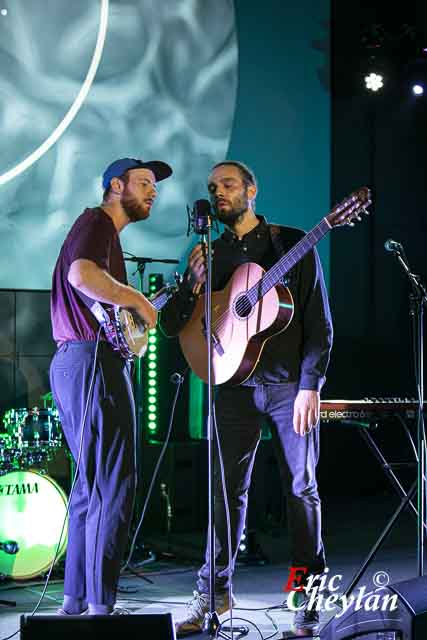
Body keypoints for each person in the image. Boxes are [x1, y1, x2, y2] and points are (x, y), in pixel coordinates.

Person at [160, 160, 333, 635]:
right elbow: (173, 323)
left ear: (252, 190)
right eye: (213, 187)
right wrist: (193, 284)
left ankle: (307, 596)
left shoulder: (292, 243)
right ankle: (213, 594)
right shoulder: (210, 253)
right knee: (224, 493)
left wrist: (310, 386)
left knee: (302, 490)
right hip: (231, 387)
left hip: (285, 387)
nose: (219, 193)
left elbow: (320, 324)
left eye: (229, 185)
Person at [50, 156, 172, 615]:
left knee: (91, 487)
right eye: (144, 183)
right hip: (93, 363)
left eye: (154, 186)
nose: (152, 191)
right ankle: (101, 607)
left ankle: (77, 601)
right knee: (113, 484)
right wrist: (139, 298)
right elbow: (80, 275)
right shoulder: (98, 222)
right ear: (115, 186)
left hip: (76, 364)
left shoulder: (103, 233)